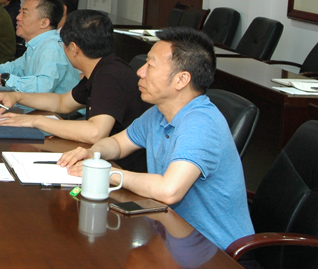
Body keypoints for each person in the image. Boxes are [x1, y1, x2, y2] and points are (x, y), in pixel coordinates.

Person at [58, 27, 253, 250]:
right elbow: (118, 144)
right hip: (172, 235)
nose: (140, 72)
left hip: (214, 251)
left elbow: (169, 190)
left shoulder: (201, 123)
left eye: (150, 65)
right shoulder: (158, 113)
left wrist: (107, 173)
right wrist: (94, 153)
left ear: (181, 79)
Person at [0, 10, 148, 171]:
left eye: (63, 45)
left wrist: (36, 121)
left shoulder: (109, 76)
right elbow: (62, 102)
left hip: (123, 169)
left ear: (74, 48)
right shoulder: (102, 69)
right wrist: (17, 96)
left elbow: (95, 132)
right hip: (104, 163)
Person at [0, 0, 80, 94]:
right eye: (19, 12)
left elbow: (42, 87)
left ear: (44, 23)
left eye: (24, 13)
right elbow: (18, 67)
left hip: (52, 105)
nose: (18, 17)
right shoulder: (37, 44)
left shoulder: (52, 48)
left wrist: (4, 79)